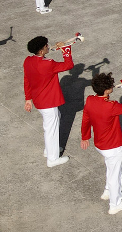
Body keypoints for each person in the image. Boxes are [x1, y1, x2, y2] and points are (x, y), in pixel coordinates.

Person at [80, 72, 122, 215]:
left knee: (110, 167)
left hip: (99, 144)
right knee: (116, 175)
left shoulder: (90, 100)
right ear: (107, 90)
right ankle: (115, 204)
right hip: (112, 146)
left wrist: (85, 137)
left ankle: (107, 191)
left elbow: (85, 119)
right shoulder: (111, 106)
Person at [24, 35, 75, 167]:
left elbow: (26, 80)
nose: (48, 46)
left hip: (38, 100)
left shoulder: (28, 61)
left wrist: (28, 98)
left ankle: (50, 150)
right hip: (48, 102)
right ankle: (52, 159)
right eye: (46, 46)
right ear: (41, 51)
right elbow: (68, 65)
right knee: (51, 130)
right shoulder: (48, 64)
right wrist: (65, 49)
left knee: (53, 122)